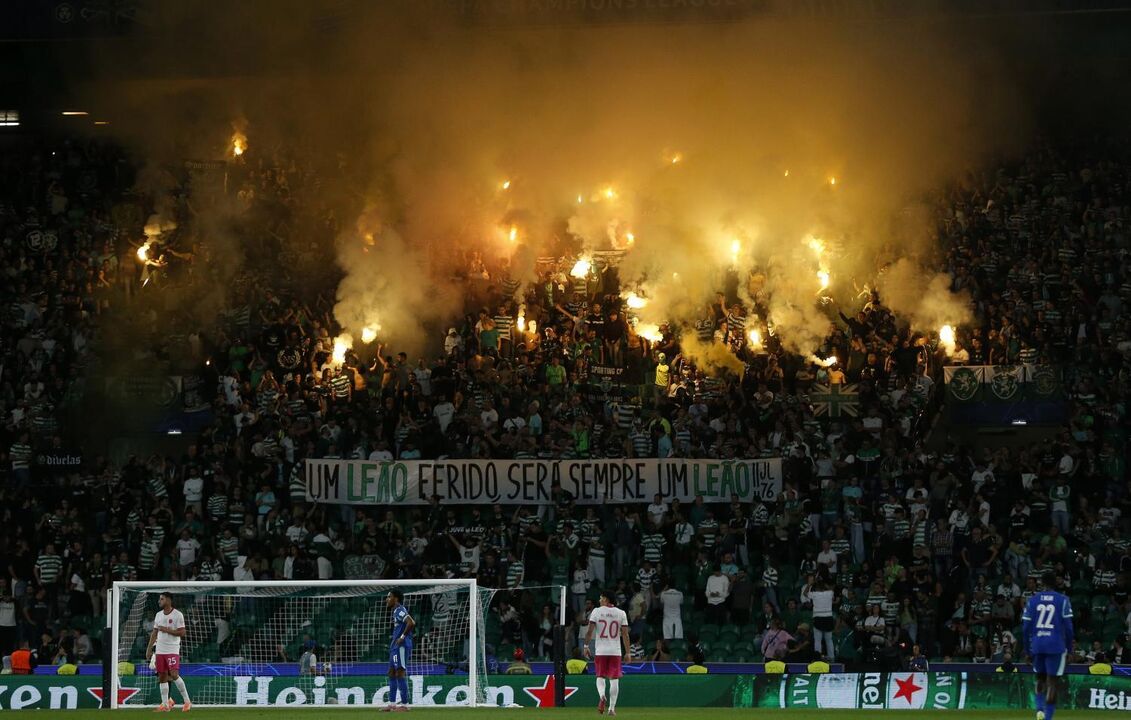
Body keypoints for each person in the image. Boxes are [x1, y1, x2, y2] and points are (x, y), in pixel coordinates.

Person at [1023, 572, 1074, 720]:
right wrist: (1070, 649)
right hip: (1056, 646)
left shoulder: (1032, 600)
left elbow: (1025, 628)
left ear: (1041, 584)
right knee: (1052, 682)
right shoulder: (1063, 600)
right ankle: (1048, 717)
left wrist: (1027, 650)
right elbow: (1069, 628)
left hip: (1038, 644)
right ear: (1056, 583)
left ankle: (1039, 709)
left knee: (1039, 679)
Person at [584, 590, 630, 716]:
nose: (599, 600)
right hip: (615, 651)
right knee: (614, 679)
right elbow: (625, 634)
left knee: (600, 676)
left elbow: (589, 631)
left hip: (601, 651)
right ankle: (611, 709)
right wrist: (628, 652)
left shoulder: (596, 611)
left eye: (601, 598)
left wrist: (586, 646)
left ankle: (602, 695)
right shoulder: (621, 613)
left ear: (606, 599)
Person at [145, 592, 191, 712]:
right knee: (162, 677)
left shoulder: (177, 615)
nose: (159, 601)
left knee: (174, 674)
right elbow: (154, 633)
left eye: (162, 599)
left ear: (169, 600)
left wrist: (166, 630)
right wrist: (149, 649)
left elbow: (182, 633)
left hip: (172, 649)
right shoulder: (158, 615)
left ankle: (187, 701)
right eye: (159, 599)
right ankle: (165, 705)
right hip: (160, 650)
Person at [384, 590, 415, 712]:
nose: (387, 599)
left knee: (400, 672)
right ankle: (392, 704)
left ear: (395, 599)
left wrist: (402, 637)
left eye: (389, 597)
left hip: (401, 646)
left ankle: (405, 705)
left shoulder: (400, 610)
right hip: (394, 647)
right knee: (391, 672)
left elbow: (411, 622)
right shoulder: (395, 611)